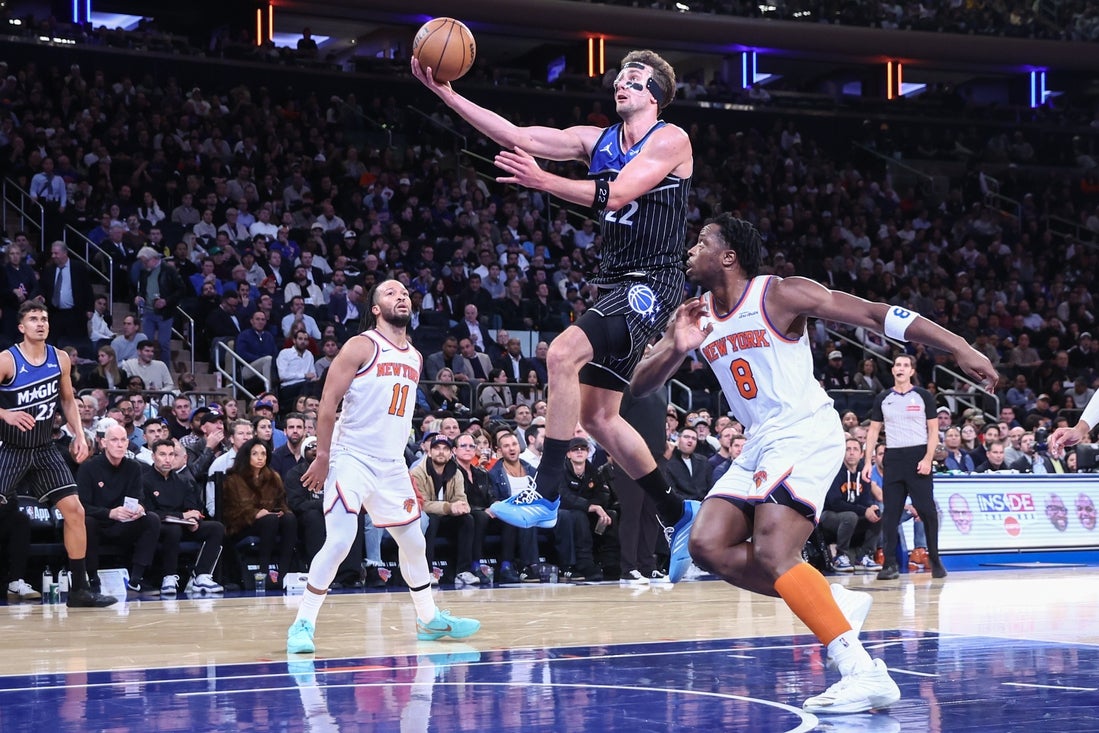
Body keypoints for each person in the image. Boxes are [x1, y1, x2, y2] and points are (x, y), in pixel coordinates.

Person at [630, 214, 995, 714]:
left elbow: (874, 315)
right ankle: (832, 600)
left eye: (701, 242)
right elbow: (640, 386)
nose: (690, 251)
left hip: (803, 430)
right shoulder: (695, 315)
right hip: (759, 441)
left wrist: (959, 346)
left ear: (728, 256)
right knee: (706, 545)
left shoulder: (779, 294)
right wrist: (676, 345)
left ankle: (861, 671)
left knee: (774, 549)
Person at [413, 49, 693, 532]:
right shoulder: (596, 140)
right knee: (600, 417)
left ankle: (544, 492)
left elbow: (617, 194)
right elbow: (518, 136)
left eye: (633, 79)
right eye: (619, 79)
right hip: (615, 281)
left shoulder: (671, 139)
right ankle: (677, 513)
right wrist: (448, 94)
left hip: (653, 280)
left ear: (655, 95)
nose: (620, 85)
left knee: (562, 354)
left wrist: (543, 180)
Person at [286, 280, 479, 654]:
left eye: (404, 292)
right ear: (375, 308)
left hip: (391, 463)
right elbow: (327, 403)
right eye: (390, 293)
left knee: (414, 541)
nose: (401, 296)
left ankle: (428, 618)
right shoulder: (361, 345)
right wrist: (323, 457)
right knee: (340, 540)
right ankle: (302, 623)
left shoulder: (415, 356)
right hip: (352, 456)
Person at [0, 302, 115, 607]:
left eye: (44, 318)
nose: (40, 323)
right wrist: (6, 414)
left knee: (75, 511)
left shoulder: (60, 358)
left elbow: (67, 400)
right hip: (9, 447)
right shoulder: (7, 360)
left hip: (44, 447)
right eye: (33, 319)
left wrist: (79, 434)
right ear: (21, 327)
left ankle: (79, 589)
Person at [863, 354, 948, 580]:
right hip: (893, 457)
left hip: (918, 456)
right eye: (897, 365)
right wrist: (867, 461)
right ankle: (889, 564)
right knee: (891, 513)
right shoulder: (883, 398)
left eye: (905, 365)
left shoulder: (923, 396)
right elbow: (873, 431)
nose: (901, 368)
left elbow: (933, 430)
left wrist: (928, 458)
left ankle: (935, 558)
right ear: (893, 370)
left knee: (927, 511)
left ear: (911, 371)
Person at [78, 423, 163, 596]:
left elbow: (139, 498)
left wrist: (139, 508)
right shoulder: (88, 468)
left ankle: (135, 580)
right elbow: (82, 506)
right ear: (103, 443)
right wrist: (110, 513)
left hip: (124, 523)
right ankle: (92, 579)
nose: (119, 444)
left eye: (123, 440)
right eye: (114, 440)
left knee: (151, 519)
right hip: (100, 523)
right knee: (87, 522)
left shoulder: (134, 467)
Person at [142, 439, 225, 594]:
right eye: (162, 454)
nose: (168, 459)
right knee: (173, 529)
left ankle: (201, 575)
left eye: (171, 455)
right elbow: (149, 512)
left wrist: (192, 519)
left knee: (216, 528)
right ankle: (169, 577)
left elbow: (193, 507)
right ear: (153, 457)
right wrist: (182, 515)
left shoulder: (183, 481)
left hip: (184, 525)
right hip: (159, 528)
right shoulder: (144, 481)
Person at [222, 438, 297, 590]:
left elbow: (281, 502)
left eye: (263, 454)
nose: (260, 457)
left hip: (269, 520)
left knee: (289, 518)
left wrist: (281, 511)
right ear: (246, 456)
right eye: (255, 454)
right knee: (269, 520)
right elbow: (231, 510)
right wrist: (255, 514)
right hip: (242, 524)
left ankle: (283, 574)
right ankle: (263, 573)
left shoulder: (273, 477)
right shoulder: (233, 479)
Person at [409, 435, 481, 585]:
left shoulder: (456, 473)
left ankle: (463, 571)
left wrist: (463, 507)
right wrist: (449, 507)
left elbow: (460, 497)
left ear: (450, 453)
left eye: (445, 449)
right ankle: (427, 572)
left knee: (467, 519)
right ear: (429, 452)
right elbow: (422, 503)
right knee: (431, 519)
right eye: (437, 448)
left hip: (448, 517)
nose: (441, 452)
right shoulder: (417, 472)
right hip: (428, 516)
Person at [820, 438, 882, 573]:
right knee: (850, 516)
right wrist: (864, 511)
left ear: (861, 454)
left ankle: (865, 555)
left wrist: (870, 509)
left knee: (877, 515)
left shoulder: (864, 473)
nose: (851, 453)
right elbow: (835, 503)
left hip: (852, 518)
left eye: (855, 449)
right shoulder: (835, 471)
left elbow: (866, 501)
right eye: (848, 449)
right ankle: (840, 556)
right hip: (829, 517)